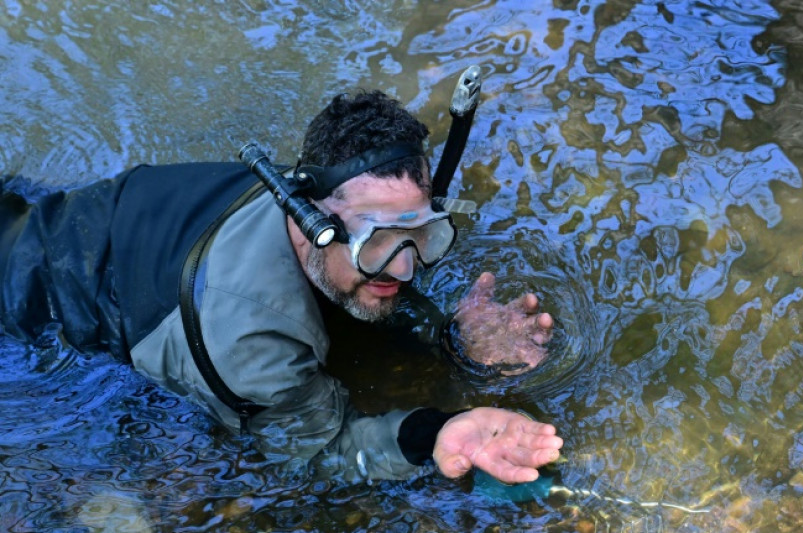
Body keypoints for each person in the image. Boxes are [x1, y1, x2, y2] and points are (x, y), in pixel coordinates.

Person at [0, 90, 561, 484]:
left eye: (419, 235)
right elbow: (319, 454)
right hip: (28, 300)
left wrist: (448, 337)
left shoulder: (299, 190)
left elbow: (369, 276)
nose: (405, 270)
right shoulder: (252, 341)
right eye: (377, 243)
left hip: (50, 217)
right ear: (310, 218)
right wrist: (436, 434)